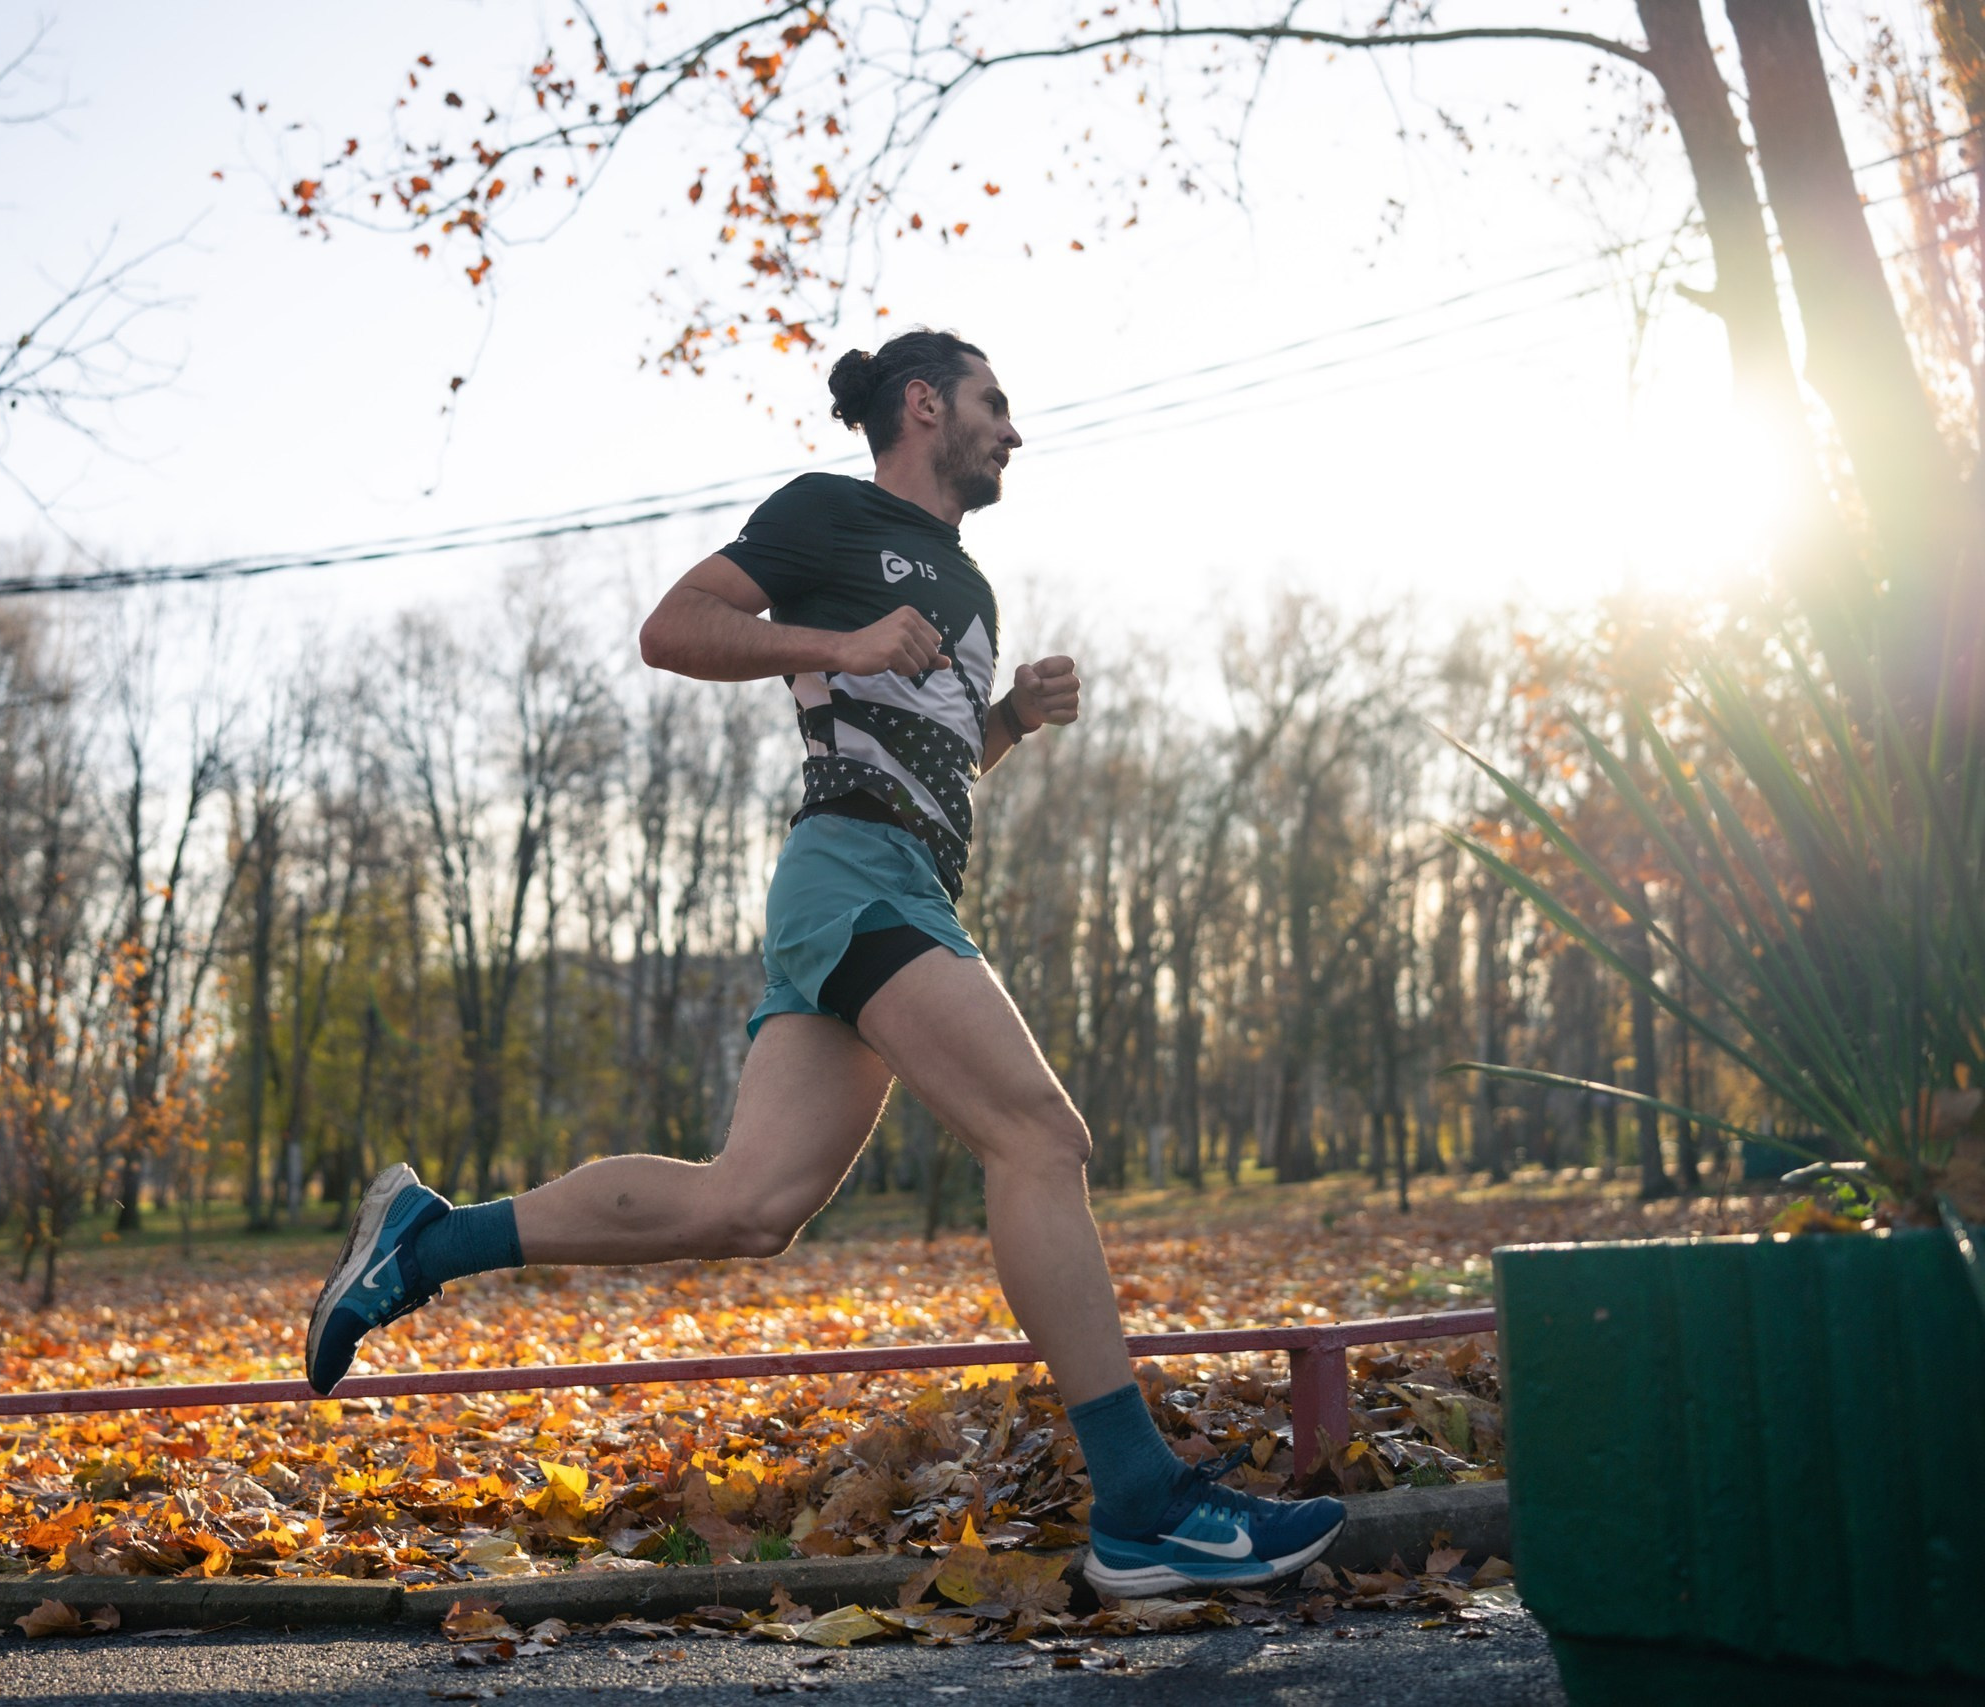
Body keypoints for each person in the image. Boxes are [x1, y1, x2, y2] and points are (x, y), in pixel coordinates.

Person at [303, 328, 1345, 1594]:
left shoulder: (968, 585)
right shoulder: (826, 515)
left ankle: (425, 1241)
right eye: (991, 403)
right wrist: (836, 644)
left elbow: (939, 775)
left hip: (891, 880)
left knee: (751, 1206)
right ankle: (1142, 1507)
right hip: (851, 879)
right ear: (924, 404)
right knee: (1041, 1140)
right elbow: (672, 628)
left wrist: (1008, 718)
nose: (1012, 430)